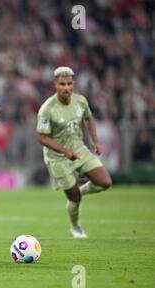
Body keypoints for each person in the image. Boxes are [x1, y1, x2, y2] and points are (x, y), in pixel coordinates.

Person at [37, 67, 112, 239]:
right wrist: (64, 151)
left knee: (105, 182)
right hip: (58, 159)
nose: (66, 87)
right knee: (74, 197)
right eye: (62, 84)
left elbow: (88, 118)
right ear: (55, 84)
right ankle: (75, 226)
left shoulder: (80, 101)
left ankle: (83, 190)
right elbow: (43, 138)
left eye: (69, 84)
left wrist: (95, 141)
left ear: (73, 84)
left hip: (79, 150)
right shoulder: (47, 109)